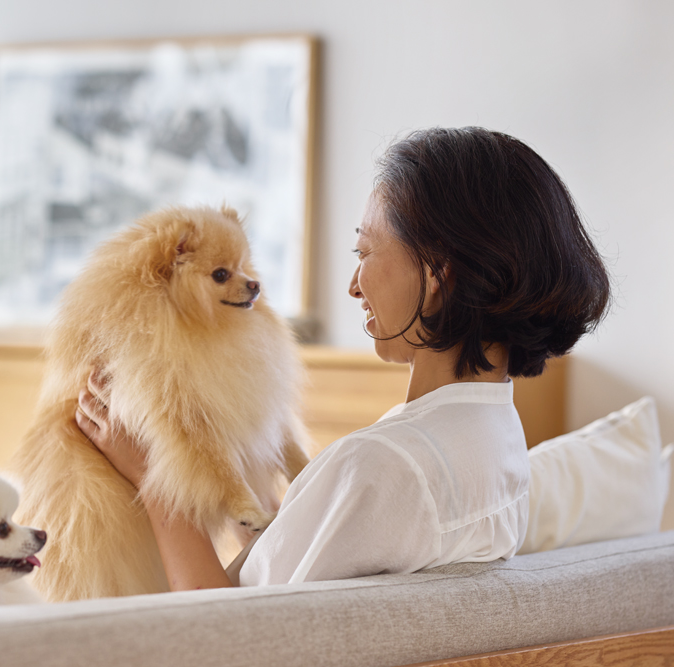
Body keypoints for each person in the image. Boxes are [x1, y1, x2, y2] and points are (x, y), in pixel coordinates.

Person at [75, 126, 612, 591]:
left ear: (437, 273)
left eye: (365, 253)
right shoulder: (495, 438)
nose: (354, 285)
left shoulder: (380, 466)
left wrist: (154, 476)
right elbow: (296, 563)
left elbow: (222, 629)